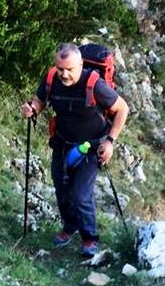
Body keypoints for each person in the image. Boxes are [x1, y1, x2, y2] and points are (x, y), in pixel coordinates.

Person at [20, 43, 129, 257]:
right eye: (60, 69)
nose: (64, 74)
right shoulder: (51, 78)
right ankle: (69, 227)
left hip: (91, 147)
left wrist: (110, 141)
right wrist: (32, 109)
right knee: (62, 190)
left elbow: (122, 109)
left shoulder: (94, 84)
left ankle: (90, 237)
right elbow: (40, 100)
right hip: (62, 143)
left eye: (69, 69)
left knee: (80, 195)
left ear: (80, 65)